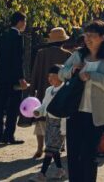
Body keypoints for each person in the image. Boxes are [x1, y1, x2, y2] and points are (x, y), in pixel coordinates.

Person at [59, 20, 104, 182]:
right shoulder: (78, 55)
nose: (88, 39)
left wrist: (93, 77)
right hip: (75, 111)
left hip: (97, 115)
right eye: (86, 35)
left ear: (102, 37)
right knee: (73, 156)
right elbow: (61, 73)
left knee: (88, 156)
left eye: (92, 35)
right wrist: (72, 71)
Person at [28, 27, 72, 159]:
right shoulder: (68, 55)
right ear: (63, 41)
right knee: (61, 121)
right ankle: (58, 146)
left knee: (41, 121)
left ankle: (39, 148)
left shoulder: (41, 53)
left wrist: (32, 91)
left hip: (43, 90)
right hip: (61, 92)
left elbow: (35, 73)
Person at [0, 11, 29, 145]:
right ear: (20, 22)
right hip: (14, 78)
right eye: (24, 22)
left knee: (0, 106)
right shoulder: (17, 37)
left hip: (2, 75)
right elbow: (17, 60)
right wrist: (21, 77)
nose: (25, 25)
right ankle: (9, 135)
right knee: (13, 108)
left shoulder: (4, 35)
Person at [30, 64, 67, 182]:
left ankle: (42, 174)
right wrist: (38, 111)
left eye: (53, 76)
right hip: (49, 122)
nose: (50, 79)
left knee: (50, 148)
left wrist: (64, 129)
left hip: (60, 122)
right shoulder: (48, 90)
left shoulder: (65, 90)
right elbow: (44, 105)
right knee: (53, 148)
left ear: (61, 76)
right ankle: (60, 170)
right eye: (49, 76)